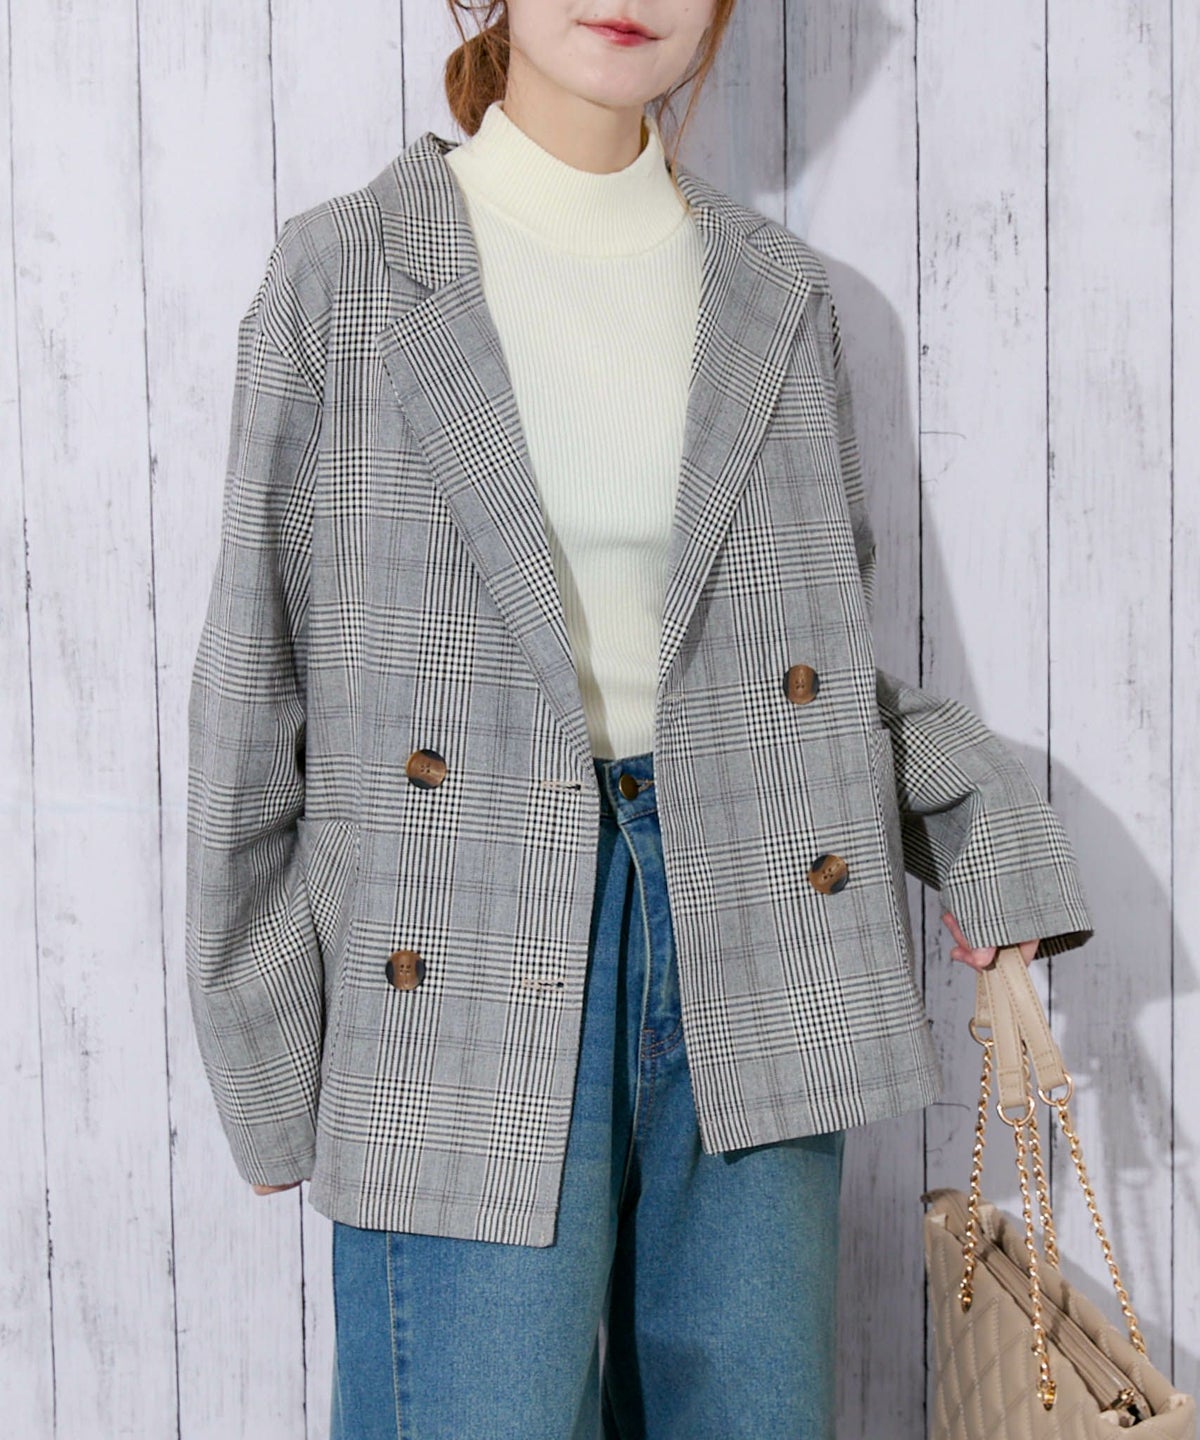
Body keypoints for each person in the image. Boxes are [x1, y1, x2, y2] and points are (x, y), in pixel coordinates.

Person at [184, 3, 1094, 1436]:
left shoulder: (775, 293)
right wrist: (259, 1044)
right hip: (456, 945)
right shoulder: (342, 274)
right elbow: (255, 686)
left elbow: (804, 680)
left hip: (761, 929)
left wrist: (983, 832)